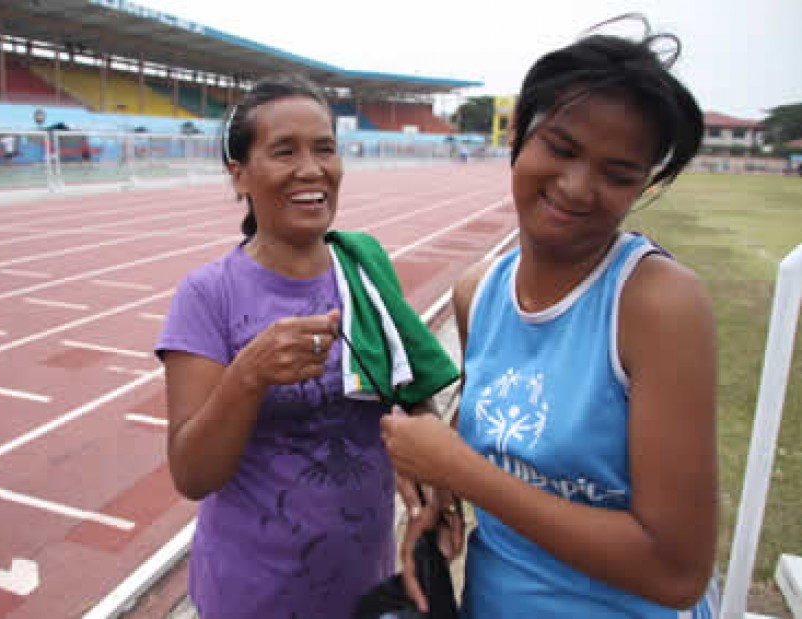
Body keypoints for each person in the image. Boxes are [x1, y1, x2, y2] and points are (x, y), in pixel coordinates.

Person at [380, 14, 720, 618]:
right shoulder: (478, 293)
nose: (578, 186)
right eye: (561, 148)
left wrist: (461, 470)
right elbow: (498, 426)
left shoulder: (656, 305)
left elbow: (677, 572)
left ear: (642, 186)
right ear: (519, 138)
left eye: (618, 175)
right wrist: (438, 492)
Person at [155, 74, 458, 619]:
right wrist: (248, 376)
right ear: (239, 174)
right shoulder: (207, 295)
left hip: (365, 582)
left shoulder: (363, 266)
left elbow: (409, 387)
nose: (312, 169)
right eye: (284, 151)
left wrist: (431, 473)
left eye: (325, 149)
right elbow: (192, 474)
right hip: (250, 593)